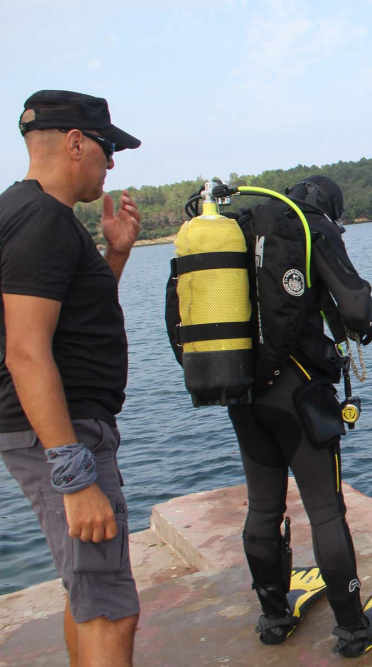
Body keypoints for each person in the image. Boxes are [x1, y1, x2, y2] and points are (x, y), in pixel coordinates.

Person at [0, 90, 142, 667]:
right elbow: (26, 352)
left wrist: (115, 256)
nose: (111, 164)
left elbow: (71, 327)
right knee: (112, 609)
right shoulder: (42, 222)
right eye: (106, 148)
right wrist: (75, 475)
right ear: (75, 142)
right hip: (61, 435)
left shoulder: (24, 211)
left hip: (53, 430)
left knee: (85, 592)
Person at [211, 176, 372, 656]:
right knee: (325, 509)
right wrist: (359, 325)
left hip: (241, 388)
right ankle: (351, 628)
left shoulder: (238, 227)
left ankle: (273, 617)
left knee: (264, 507)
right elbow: (354, 306)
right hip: (297, 391)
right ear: (330, 206)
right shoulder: (310, 229)